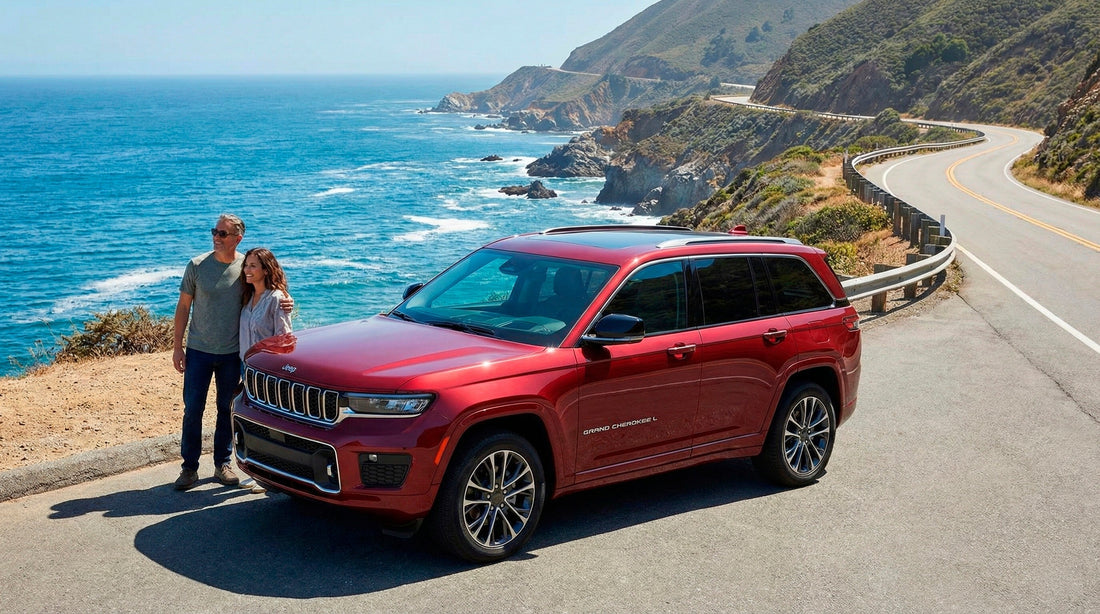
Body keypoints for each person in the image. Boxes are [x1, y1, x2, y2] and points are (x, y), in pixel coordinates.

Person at [171, 214, 291, 491]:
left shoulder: (244, 267)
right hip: (199, 351)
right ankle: (189, 469)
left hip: (232, 355)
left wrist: (287, 300)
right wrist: (177, 347)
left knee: (226, 410)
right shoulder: (197, 265)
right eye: (215, 231)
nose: (216, 236)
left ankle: (222, 464)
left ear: (238, 238)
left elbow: (268, 289)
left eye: (223, 233)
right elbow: (183, 308)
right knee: (193, 411)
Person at [239, 247, 292, 359]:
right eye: (246, 265)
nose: (246, 270)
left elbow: (284, 337)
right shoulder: (247, 296)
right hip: (245, 364)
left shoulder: (276, 298)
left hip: (265, 365)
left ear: (266, 270)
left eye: (253, 266)